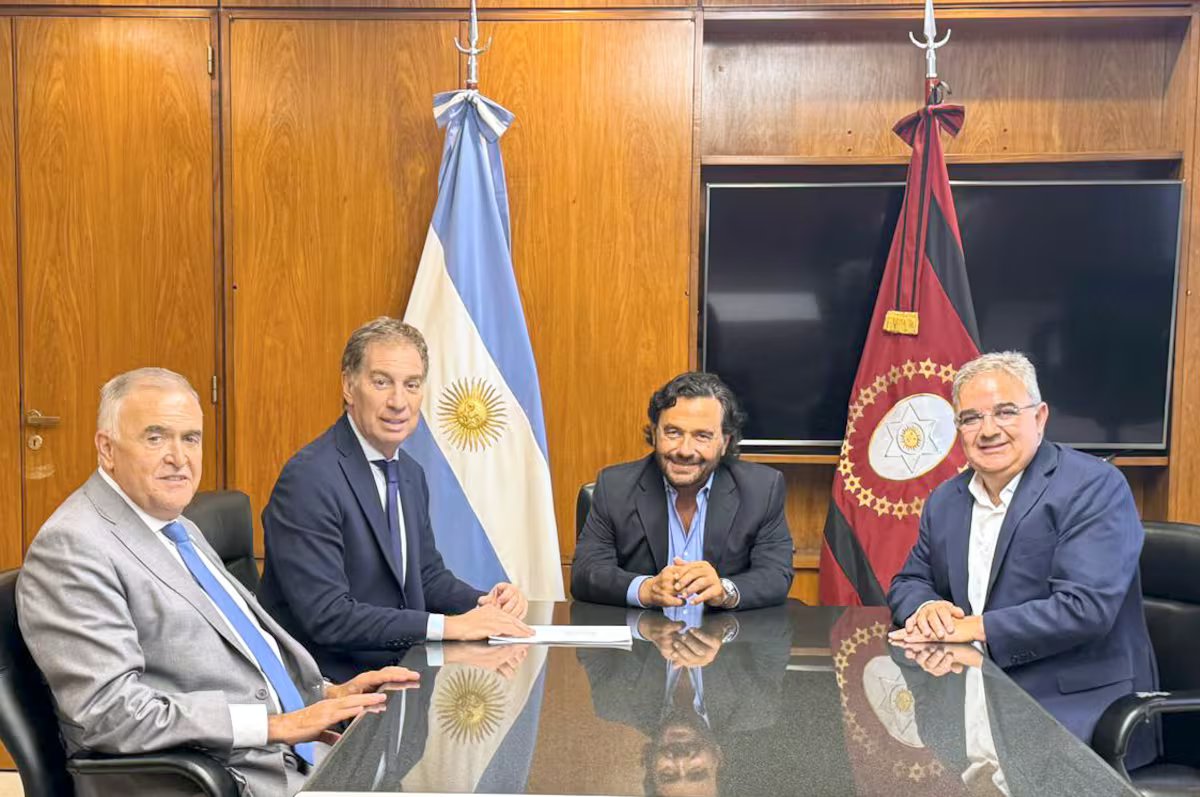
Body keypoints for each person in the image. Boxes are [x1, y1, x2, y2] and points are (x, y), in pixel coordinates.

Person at [17, 368, 418, 796]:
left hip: (297, 755)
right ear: (107, 448)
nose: (179, 457)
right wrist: (273, 726)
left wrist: (325, 694)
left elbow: (229, 660)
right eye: (155, 437)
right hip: (232, 776)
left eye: (190, 438)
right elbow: (109, 713)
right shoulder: (74, 547)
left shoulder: (176, 526)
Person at [887, 351, 1159, 767]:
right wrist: (928, 609)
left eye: (1006, 412)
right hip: (968, 700)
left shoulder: (1093, 486)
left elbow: (1085, 609)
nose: (988, 430)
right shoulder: (946, 500)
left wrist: (969, 627)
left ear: (1040, 417)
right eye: (971, 418)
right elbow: (909, 581)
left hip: (1073, 715)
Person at [259, 317, 531, 660]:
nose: (399, 402)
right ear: (348, 386)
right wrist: (449, 627)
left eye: (412, 385)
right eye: (382, 382)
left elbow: (425, 578)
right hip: (335, 680)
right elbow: (328, 615)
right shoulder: (309, 479)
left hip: (402, 671)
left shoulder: (409, 473)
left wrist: (484, 605)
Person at [571, 371, 794, 610]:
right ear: (655, 433)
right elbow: (586, 572)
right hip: (645, 632)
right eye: (673, 433)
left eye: (702, 436)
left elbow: (775, 574)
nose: (685, 450)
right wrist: (645, 589)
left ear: (724, 443)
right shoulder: (615, 486)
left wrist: (724, 591)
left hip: (724, 633)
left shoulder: (762, 489)